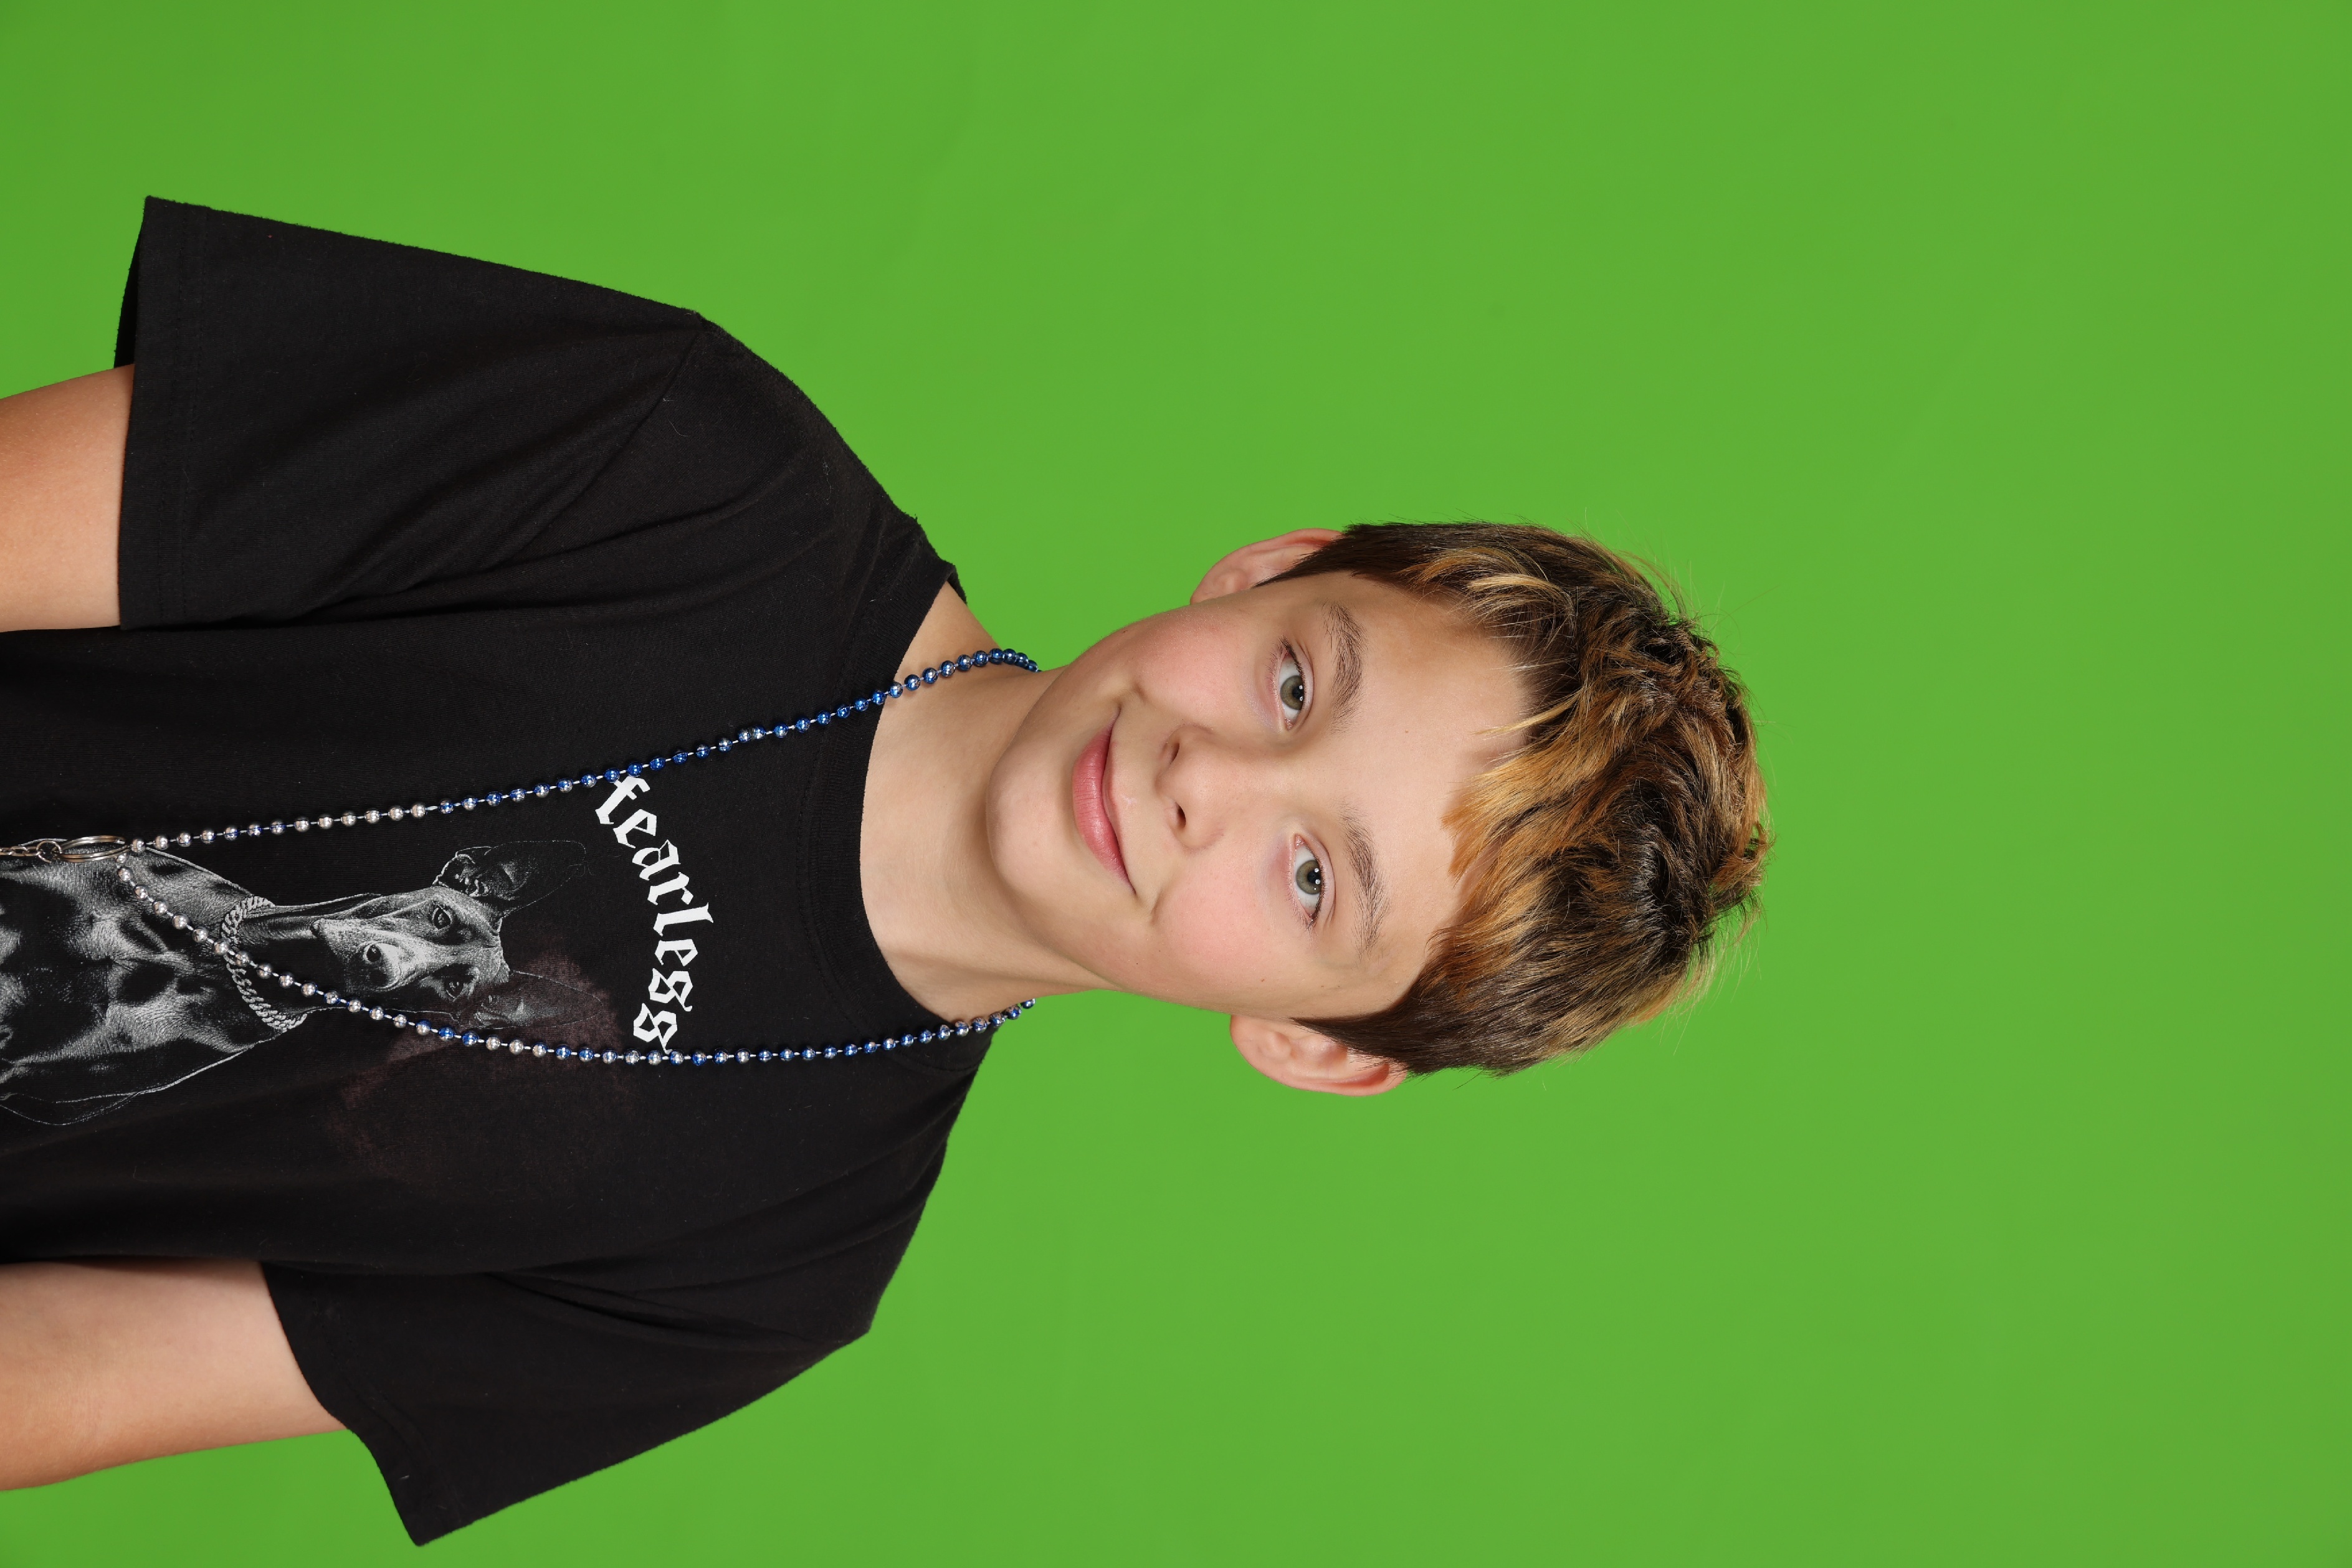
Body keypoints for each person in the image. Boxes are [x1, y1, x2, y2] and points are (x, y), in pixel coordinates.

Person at [0, 199, 1767, 1541]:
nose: (1206, 782)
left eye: (1316, 882)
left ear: (1314, 1042)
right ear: (1268, 569)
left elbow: (69, 1371)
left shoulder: (777, 1270)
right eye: (1297, 685)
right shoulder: (682, 461)